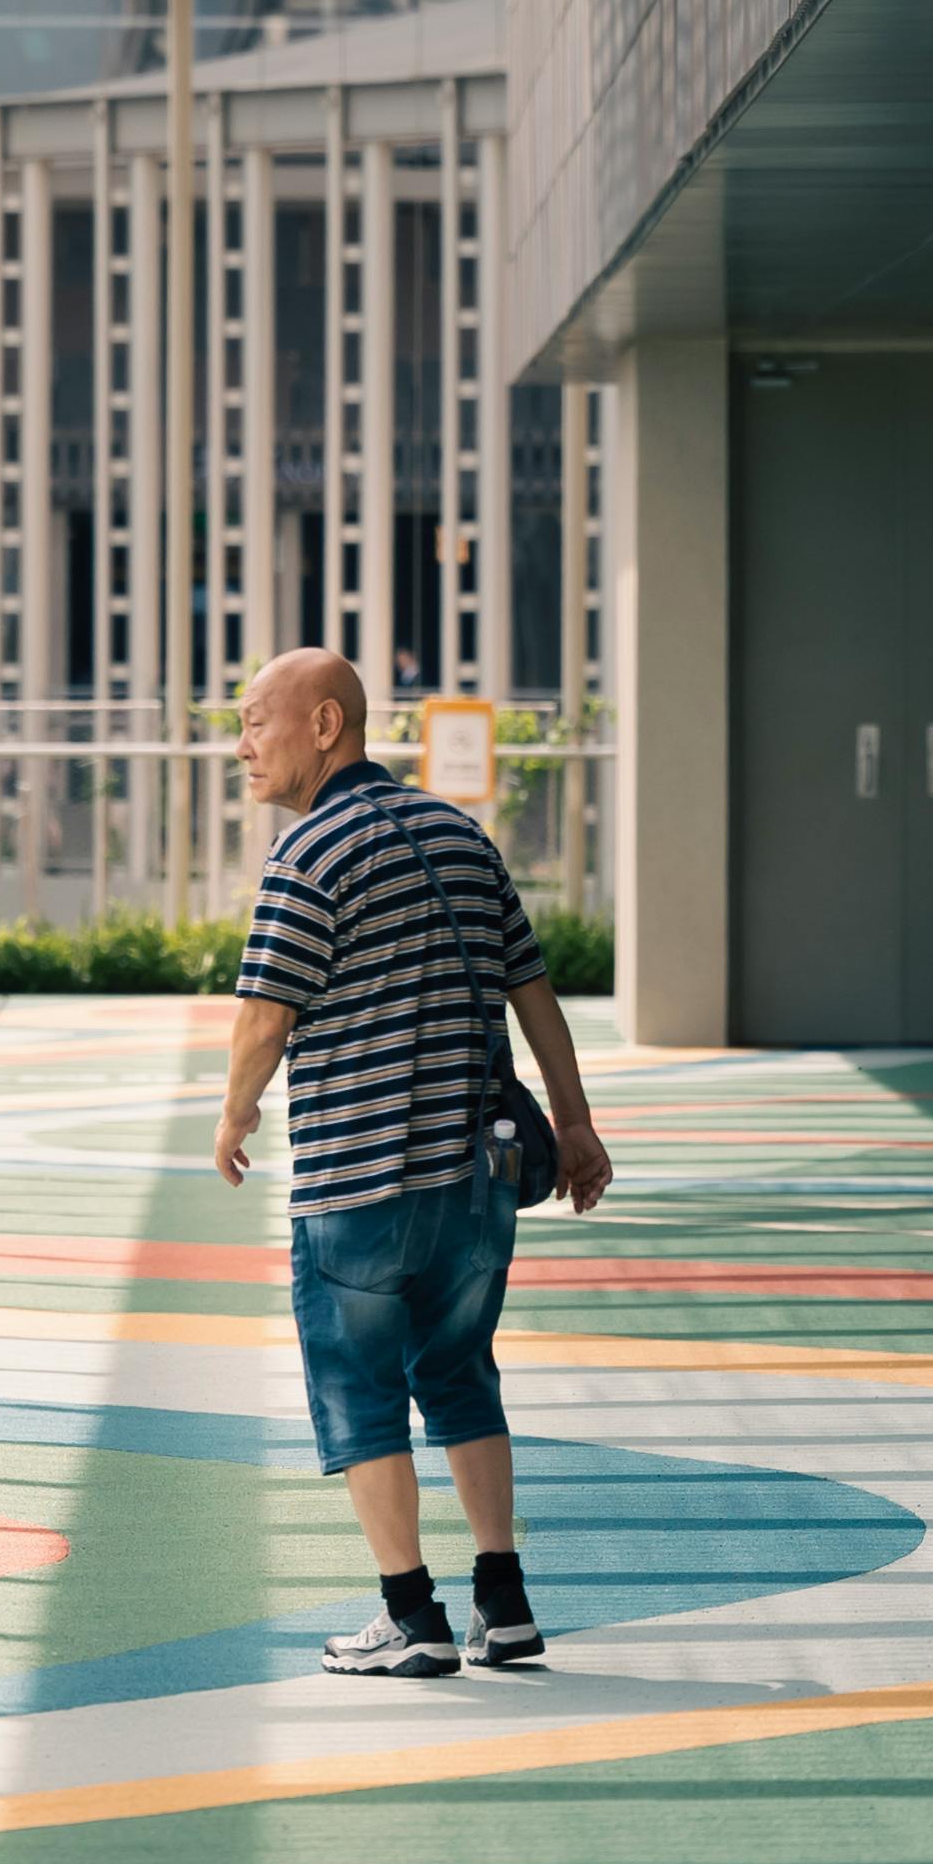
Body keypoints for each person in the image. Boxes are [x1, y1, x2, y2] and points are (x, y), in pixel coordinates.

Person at [213, 647, 611, 1677]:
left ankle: (410, 1616)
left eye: (257, 720)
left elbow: (265, 1013)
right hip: (476, 1183)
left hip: (359, 1185)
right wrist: (573, 1124)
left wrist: (233, 1112)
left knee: (359, 1388)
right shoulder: (459, 833)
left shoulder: (308, 854)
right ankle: (504, 1600)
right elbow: (533, 993)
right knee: (461, 1376)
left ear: (326, 724)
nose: (242, 743)